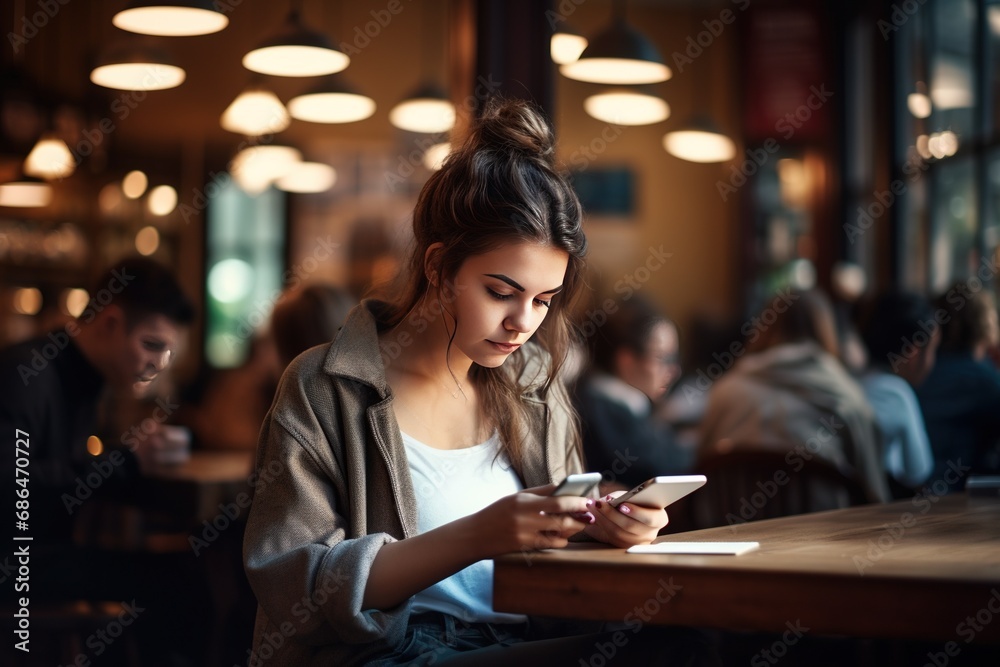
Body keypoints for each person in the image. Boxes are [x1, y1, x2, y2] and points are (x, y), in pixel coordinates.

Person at [243, 99, 715, 666]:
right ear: (439, 267)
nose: (523, 323)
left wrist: (605, 525)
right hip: (392, 652)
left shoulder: (533, 382)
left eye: (543, 300)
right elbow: (291, 585)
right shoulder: (325, 386)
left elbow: (557, 547)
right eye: (501, 292)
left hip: (518, 640)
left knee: (686, 645)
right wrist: (480, 534)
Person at [0, 255, 208, 666]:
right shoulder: (29, 373)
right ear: (111, 322)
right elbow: (10, 486)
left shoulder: (83, 377)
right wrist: (126, 461)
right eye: (152, 345)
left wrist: (134, 460)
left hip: (42, 554)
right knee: (176, 583)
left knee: (181, 573)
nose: (157, 364)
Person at [697, 288, 889, 504]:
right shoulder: (847, 397)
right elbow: (873, 493)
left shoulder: (725, 392)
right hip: (824, 533)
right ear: (826, 329)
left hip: (730, 529)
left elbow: (699, 474)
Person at [574, 295, 692, 490]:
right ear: (626, 360)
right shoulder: (604, 409)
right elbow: (657, 469)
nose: (674, 370)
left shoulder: (611, 398)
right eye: (664, 357)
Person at [916, 283, 1000, 491]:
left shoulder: (922, 370)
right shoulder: (982, 379)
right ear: (985, 322)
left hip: (913, 491)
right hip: (960, 498)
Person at [857, 291, 937, 496]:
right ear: (913, 351)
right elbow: (918, 472)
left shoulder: (851, 381)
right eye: (933, 350)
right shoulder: (896, 394)